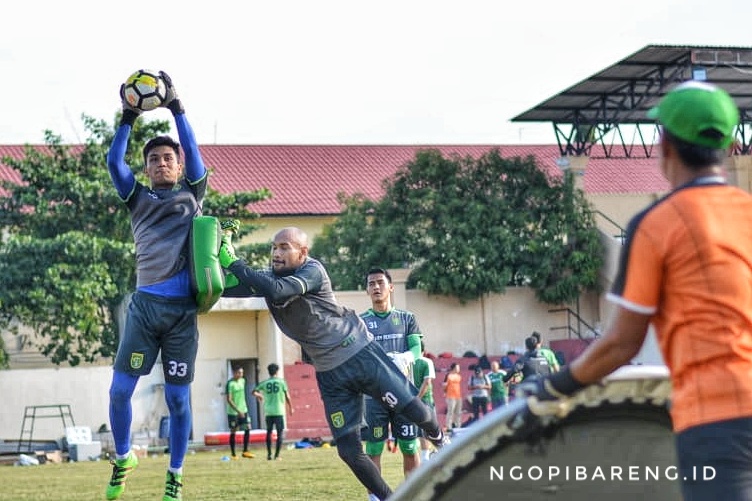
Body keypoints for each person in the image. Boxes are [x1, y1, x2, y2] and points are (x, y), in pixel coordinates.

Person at [526, 81, 752, 500]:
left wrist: (553, 389)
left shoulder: (657, 225)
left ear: (663, 143)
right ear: (732, 143)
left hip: (718, 417)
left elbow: (621, 344)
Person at [218, 226, 449, 501]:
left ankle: (441, 440)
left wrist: (233, 261)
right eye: (273, 247)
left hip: (359, 353)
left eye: (284, 247)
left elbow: (278, 291)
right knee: (349, 450)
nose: (276, 253)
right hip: (329, 373)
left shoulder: (312, 271)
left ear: (303, 253)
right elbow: (222, 287)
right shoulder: (267, 278)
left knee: (413, 408)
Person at [104, 72, 206, 501]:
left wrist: (176, 107)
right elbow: (114, 163)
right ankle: (125, 456)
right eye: (154, 159)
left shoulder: (193, 194)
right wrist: (128, 115)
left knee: (180, 401)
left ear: (179, 166)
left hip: (182, 313)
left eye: (169, 158)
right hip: (145, 309)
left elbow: (195, 151)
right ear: (146, 169)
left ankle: (175, 472)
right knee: (120, 391)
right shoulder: (137, 199)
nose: (162, 162)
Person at [360, 267, 423, 494]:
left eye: (380, 282)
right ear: (367, 290)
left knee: (409, 446)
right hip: (374, 395)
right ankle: (375, 498)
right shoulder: (362, 322)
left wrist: (406, 357)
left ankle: (414, 494)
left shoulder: (407, 318)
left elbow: (417, 348)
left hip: (403, 393)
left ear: (390, 287)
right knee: (374, 448)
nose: (376, 287)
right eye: (371, 284)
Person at [252, 362, 293, 461]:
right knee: (279, 434)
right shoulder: (282, 382)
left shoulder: (265, 383)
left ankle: (269, 454)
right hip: (279, 411)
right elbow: (287, 396)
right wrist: (291, 407)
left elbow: (253, 391)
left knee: (269, 433)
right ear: (277, 371)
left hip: (268, 411)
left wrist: (260, 396)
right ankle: (277, 455)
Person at [413, 341, 437, 461]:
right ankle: (426, 458)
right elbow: (427, 382)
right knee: (430, 427)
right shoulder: (427, 362)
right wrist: (419, 397)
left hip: (410, 400)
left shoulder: (409, 362)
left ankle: (425, 456)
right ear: (423, 350)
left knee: (418, 429)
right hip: (425, 399)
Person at [226, 366, 255, 460]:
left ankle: (245, 451)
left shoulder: (243, 381)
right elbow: (229, 400)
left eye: (242, 373)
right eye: (239, 372)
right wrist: (238, 411)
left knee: (248, 428)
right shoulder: (230, 384)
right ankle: (233, 454)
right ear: (234, 373)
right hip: (233, 412)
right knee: (233, 431)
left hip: (244, 410)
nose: (240, 374)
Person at [442, 362, 463, 431]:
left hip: (458, 396)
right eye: (457, 367)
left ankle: (458, 425)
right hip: (450, 396)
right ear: (454, 368)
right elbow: (444, 385)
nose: (458, 369)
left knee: (458, 412)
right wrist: (445, 392)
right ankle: (449, 426)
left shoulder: (459, 376)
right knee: (450, 412)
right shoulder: (448, 375)